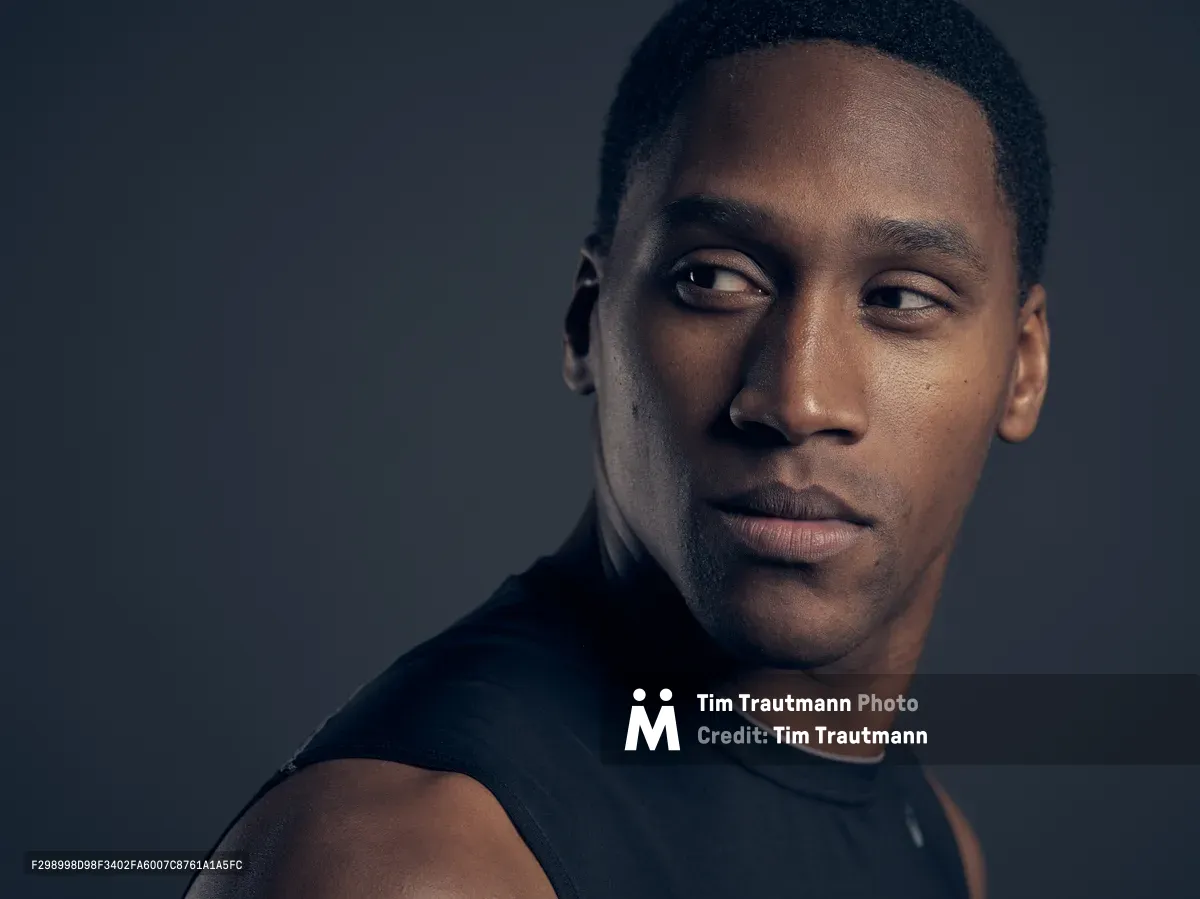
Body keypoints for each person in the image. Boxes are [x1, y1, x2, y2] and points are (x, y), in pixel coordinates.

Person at [185, 0, 1051, 896]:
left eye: (903, 299)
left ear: (1021, 369)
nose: (797, 399)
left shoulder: (935, 841)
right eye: (714, 278)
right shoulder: (409, 863)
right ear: (586, 322)